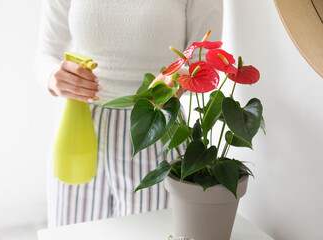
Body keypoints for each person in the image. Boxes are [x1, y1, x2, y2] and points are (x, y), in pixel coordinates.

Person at [35, 0, 223, 227]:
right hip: (78, 128)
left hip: (156, 128)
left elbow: (203, 58)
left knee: (152, 231)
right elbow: (46, 53)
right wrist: (54, 77)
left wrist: (178, 78)